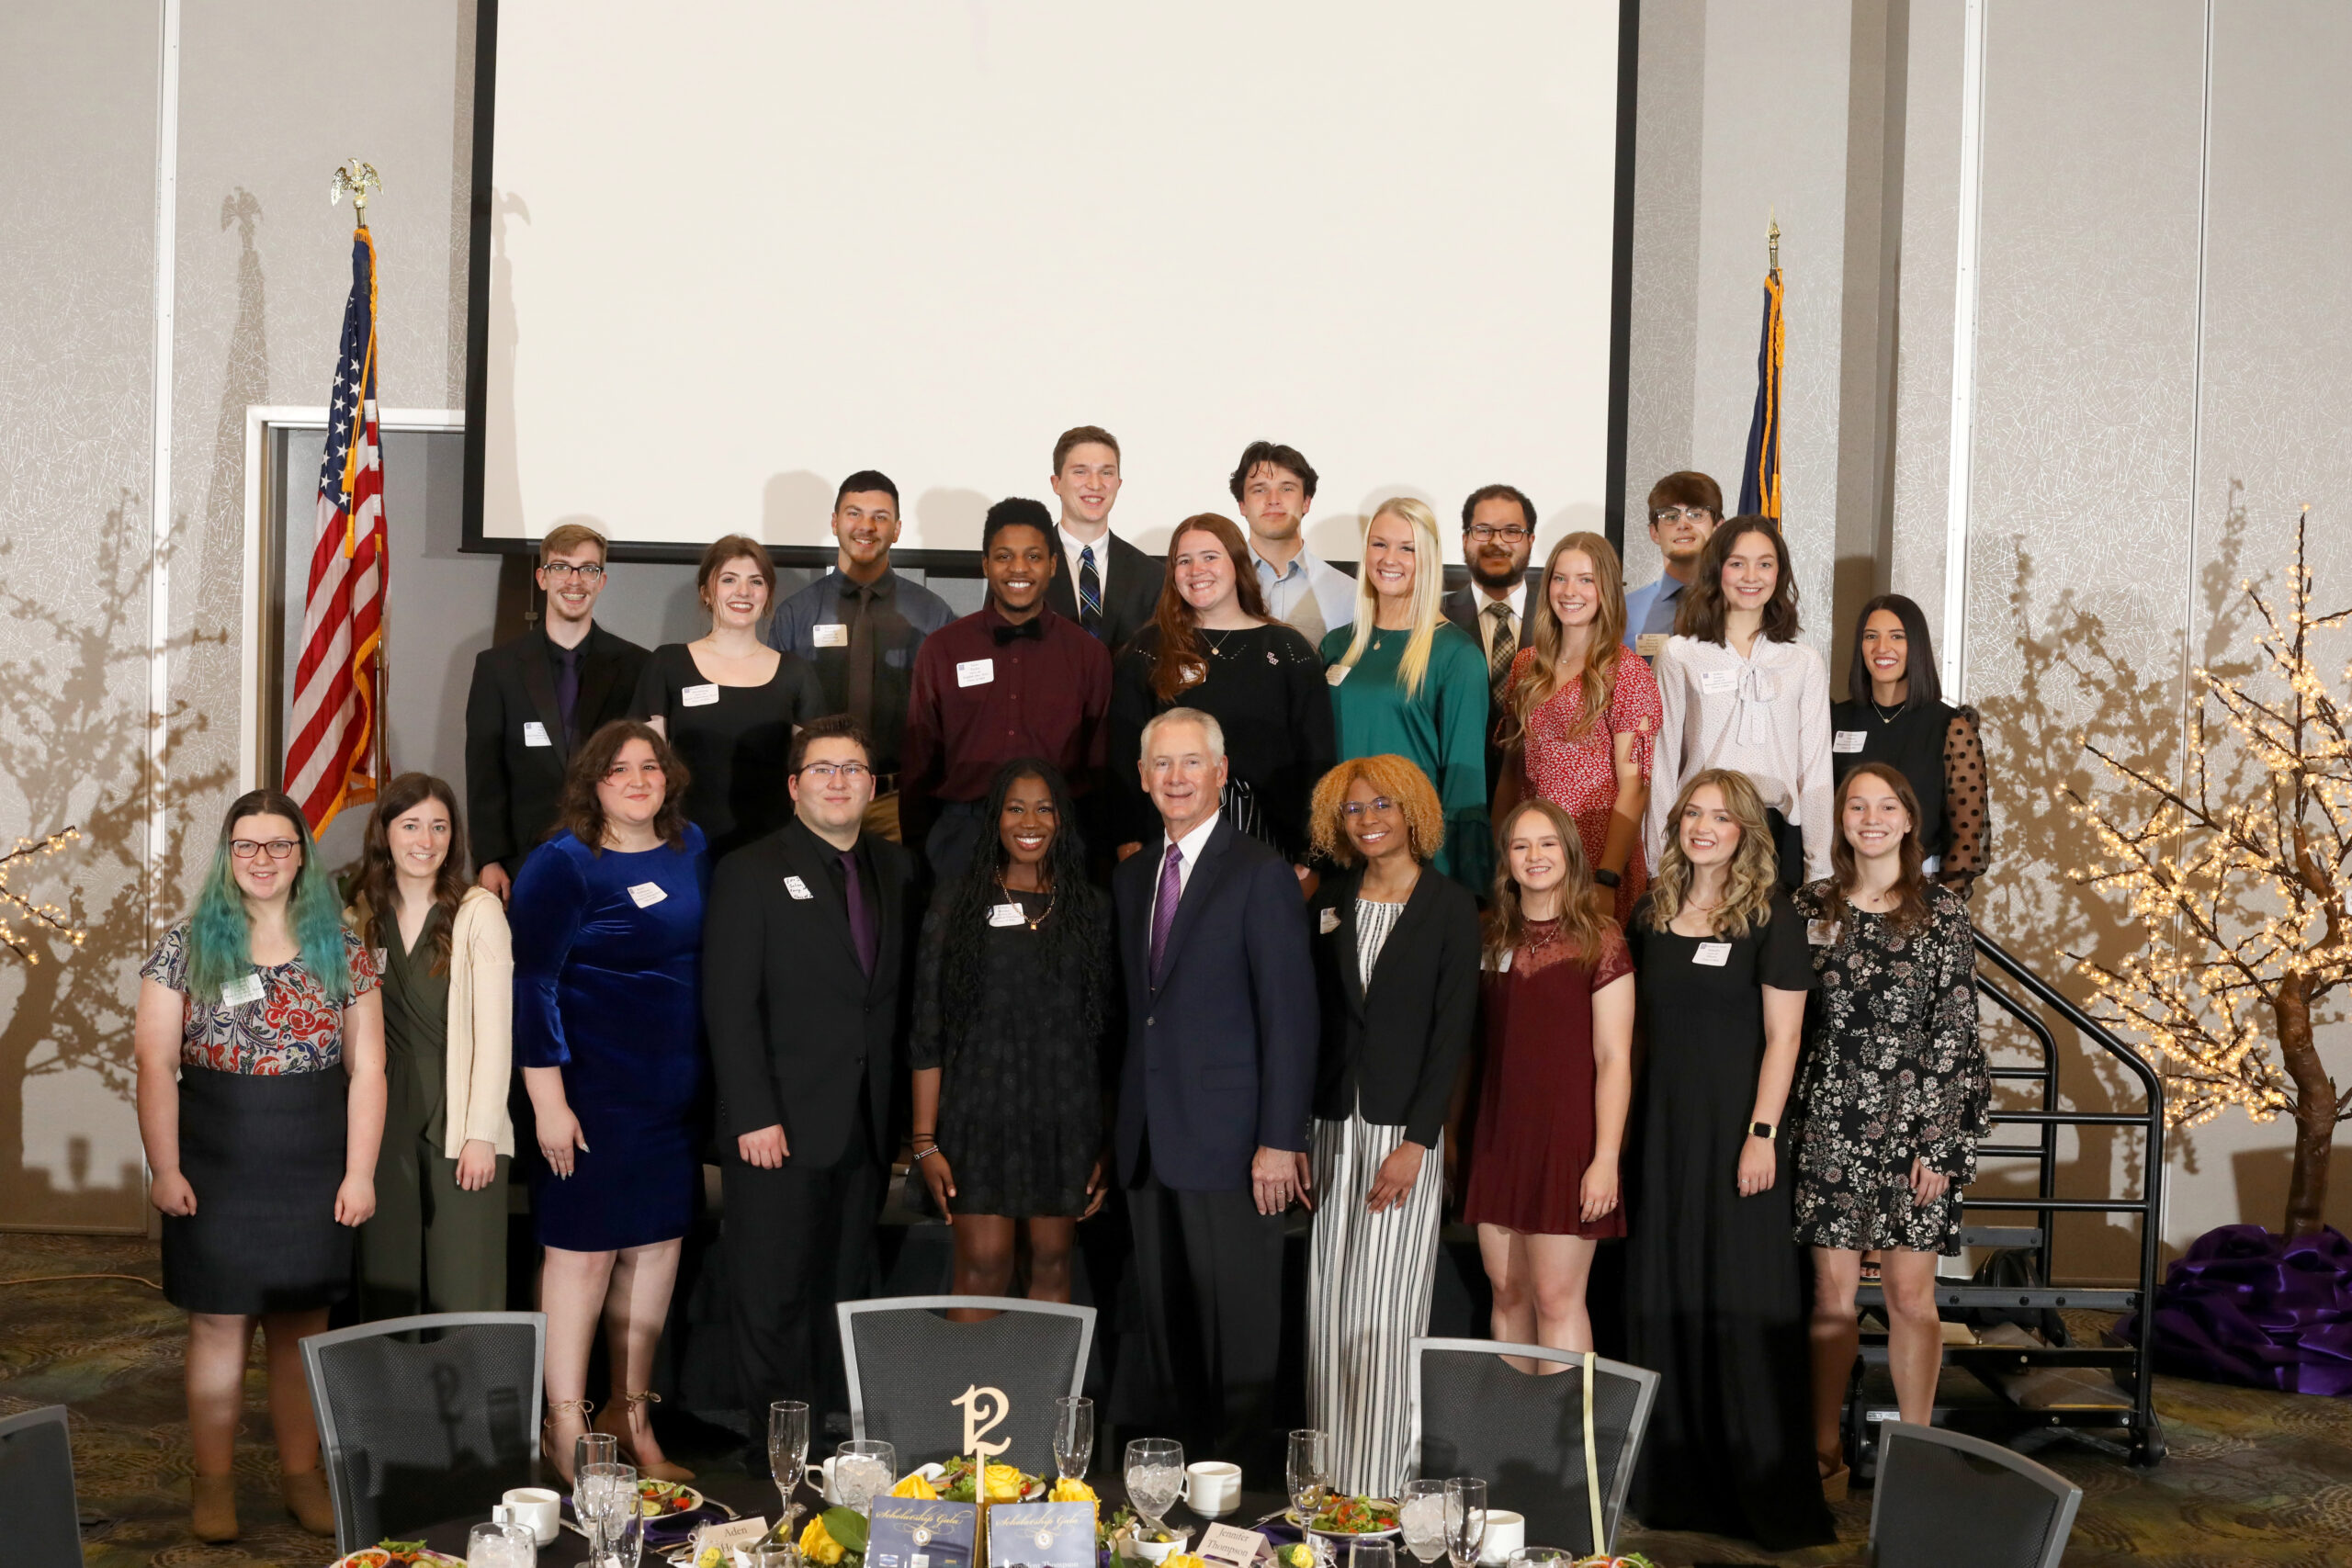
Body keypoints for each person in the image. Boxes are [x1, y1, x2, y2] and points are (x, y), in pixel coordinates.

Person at [133, 790, 386, 1542]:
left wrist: (360, 1172)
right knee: (217, 1323)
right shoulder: (183, 947)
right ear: (227, 855)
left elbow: (369, 1069)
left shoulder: (343, 947)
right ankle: (212, 1485)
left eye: (279, 845)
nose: (264, 859)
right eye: (248, 845)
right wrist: (164, 1166)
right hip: (215, 1160)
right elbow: (152, 1063)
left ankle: (300, 1476)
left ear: (301, 854)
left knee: (300, 1326)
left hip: (314, 1159)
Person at [1622, 770, 1833, 1550]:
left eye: (1719, 816)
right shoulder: (1653, 911)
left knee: (1741, 1300)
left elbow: (1785, 1039)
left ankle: (1755, 1483)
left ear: (1746, 830)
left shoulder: (1771, 917)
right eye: (1692, 814)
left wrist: (1763, 1133)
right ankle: (1673, 1482)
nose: (1703, 827)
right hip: (1664, 1132)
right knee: (1664, 1293)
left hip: (1738, 1137)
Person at [704, 714, 921, 1464]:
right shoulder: (749, 869)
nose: (839, 781)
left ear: (871, 785)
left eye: (854, 769)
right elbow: (729, 1007)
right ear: (794, 786)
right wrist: (752, 1114)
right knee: (772, 1300)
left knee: (840, 1293)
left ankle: (831, 1453)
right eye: (823, 769)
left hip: (862, 1128)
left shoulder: (897, 870)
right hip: (778, 1129)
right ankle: (777, 1460)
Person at [1113, 707, 1317, 1467]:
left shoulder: (1261, 872)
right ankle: (1178, 1498)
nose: (1175, 778)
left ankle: (1241, 1499)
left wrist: (1279, 1139)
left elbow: (1289, 1017)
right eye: (1162, 764)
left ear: (1221, 773)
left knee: (1240, 1335)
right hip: (1149, 1144)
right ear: (1142, 777)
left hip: (1235, 1146)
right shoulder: (1134, 876)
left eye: (1191, 763)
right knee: (1170, 1339)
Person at [511, 720, 707, 1483]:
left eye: (649, 766)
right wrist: (547, 1101)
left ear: (669, 776)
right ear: (592, 781)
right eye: (619, 769)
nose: (636, 779)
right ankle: (565, 1425)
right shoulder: (561, 864)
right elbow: (533, 986)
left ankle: (632, 1414)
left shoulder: (692, 848)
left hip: (672, 1090)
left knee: (656, 1251)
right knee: (584, 1255)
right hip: (588, 1089)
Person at [1796, 762, 1990, 1495]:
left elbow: (1956, 1031)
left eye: (1885, 806)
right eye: (1856, 805)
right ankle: (1825, 1458)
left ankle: (1917, 1454)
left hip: (1916, 1131)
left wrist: (1939, 1142)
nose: (1870, 817)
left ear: (1910, 820)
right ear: (1840, 818)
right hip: (1830, 1123)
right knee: (1830, 1298)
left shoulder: (1942, 910)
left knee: (1912, 1298)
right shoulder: (1809, 906)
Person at [1302, 756, 1479, 1495]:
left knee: (1383, 1319)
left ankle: (1376, 1490)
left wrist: (1418, 1141)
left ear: (1412, 811)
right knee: (1327, 1313)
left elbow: (1452, 1037)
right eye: (1352, 809)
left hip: (1403, 1137)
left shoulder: (1450, 905)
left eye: (1381, 804)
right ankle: (1322, 1483)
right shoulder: (1331, 896)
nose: (1368, 818)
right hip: (1331, 1127)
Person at [910, 759, 1115, 1307]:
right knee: (984, 1265)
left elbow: (1107, 1039)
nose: (1031, 821)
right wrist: (925, 1142)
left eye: (1044, 808)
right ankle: (970, 1394)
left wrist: (1106, 1142)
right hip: (978, 1115)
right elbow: (926, 1028)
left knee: (1051, 1264)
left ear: (1062, 819)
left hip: (1063, 1118)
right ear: (994, 818)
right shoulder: (955, 904)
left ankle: (1045, 1399)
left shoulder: (1092, 909)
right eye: (1016, 807)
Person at [1461, 797, 1633, 1361]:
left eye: (1547, 843)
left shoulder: (1600, 940)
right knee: (1508, 1293)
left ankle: (1563, 1449)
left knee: (1557, 1299)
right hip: (1498, 1138)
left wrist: (1605, 1158)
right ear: (1506, 859)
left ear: (1570, 854)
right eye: (1520, 845)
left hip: (1567, 1142)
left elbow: (1613, 1058)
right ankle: (1515, 1439)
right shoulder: (1491, 939)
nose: (1534, 856)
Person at [348, 773, 512, 1319]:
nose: (426, 840)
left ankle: (468, 1405)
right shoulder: (360, 912)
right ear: (386, 834)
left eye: (439, 826)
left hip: (460, 1110)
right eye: (411, 825)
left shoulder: (477, 911)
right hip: (381, 1108)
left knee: (464, 1280)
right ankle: (391, 1403)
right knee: (387, 1276)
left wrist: (482, 1134)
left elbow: (495, 1034)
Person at [901, 497, 1113, 884]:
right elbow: (920, 760)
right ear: (985, 564)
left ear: (1052, 565)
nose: (1019, 568)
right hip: (961, 835)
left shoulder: (1089, 655)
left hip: (1058, 838)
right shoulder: (943, 649)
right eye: (1004, 556)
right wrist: (916, 849)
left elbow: (1099, 769)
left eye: (1033, 556)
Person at [1108, 513, 1335, 867]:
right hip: (1167, 845)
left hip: (1269, 847)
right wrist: (1127, 839)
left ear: (1237, 563)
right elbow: (1123, 757)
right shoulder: (1146, 650)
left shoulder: (1289, 650)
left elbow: (1317, 760)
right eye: (1184, 560)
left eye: (1210, 557)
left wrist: (1311, 856)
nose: (1197, 569)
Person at [464, 522, 651, 899]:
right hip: (523, 862)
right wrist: (490, 859)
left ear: (602, 581)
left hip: (614, 855)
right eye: (562, 567)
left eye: (588, 569)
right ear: (542, 577)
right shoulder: (496, 667)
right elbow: (485, 772)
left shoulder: (637, 665)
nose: (575, 580)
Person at [768, 470, 956, 841]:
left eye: (880, 517)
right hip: (817, 797)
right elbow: (777, 715)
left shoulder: (932, 614)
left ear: (898, 529)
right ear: (835, 522)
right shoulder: (796, 614)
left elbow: (949, 716)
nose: (866, 526)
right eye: (854, 513)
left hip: (899, 803)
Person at [1645, 515, 1831, 887]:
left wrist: (1821, 870)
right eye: (1737, 564)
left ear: (1779, 573)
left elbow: (1815, 771)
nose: (1751, 576)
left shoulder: (1803, 661)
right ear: (1717, 570)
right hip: (1700, 834)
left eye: (1764, 564)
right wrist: (1657, 863)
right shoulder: (1681, 654)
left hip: (1777, 836)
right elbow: (1662, 764)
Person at [1321, 497, 1494, 894]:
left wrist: (1455, 885)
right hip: (1345, 856)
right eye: (1379, 544)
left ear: (1429, 559)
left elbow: (1464, 784)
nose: (1389, 558)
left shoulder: (1456, 655)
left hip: (1417, 866)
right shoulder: (1336, 647)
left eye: (1407, 548)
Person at [1497, 533, 1661, 923]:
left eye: (1586, 579)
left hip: (1598, 859)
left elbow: (1635, 788)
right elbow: (1510, 775)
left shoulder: (1627, 672)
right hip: (1533, 859)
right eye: (1560, 578)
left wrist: (1606, 878)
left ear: (1606, 589)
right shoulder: (1526, 666)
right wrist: (1502, 860)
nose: (1570, 591)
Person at [635, 533, 827, 863]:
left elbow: (816, 771)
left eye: (756, 581)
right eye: (729, 580)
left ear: (767, 595)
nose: (743, 592)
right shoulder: (668, 663)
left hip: (773, 848)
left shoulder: (795, 672)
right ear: (706, 593)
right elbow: (641, 764)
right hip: (682, 847)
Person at [1830, 593, 1989, 896]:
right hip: (1844, 885)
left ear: (1916, 645)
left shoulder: (1951, 727)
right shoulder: (1834, 719)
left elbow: (1966, 836)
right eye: (1871, 636)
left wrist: (1942, 908)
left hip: (1921, 888)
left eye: (1897, 637)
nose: (1882, 648)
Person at [1441, 483, 1541, 795]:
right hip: (1454, 795)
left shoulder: (1562, 621)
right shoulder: (1434, 619)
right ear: (1465, 539)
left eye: (1512, 531)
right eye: (1483, 530)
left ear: (1530, 541)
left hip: (1542, 803)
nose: (1497, 542)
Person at [1042, 424, 1164, 649]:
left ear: (1118, 484)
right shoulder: (1023, 565)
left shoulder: (1151, 576)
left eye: (1106, 472)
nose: (1095, 484)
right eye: (1080, 471)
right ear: (1056, 483)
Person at [1233, 440, 1354, 647]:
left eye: (1287, 488)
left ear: (1306, 501)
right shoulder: (1213, 584)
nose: (1273, 499)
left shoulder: (1349, 594)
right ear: (1242, 505)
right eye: (1259, 490)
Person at [1620, 472, 1721, 661]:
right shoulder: (1624, 612)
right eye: (1670, 516)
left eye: (1696, 514)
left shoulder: (1737, 607)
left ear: (1717, 528)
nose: (1683, 524)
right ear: (1655, 533)